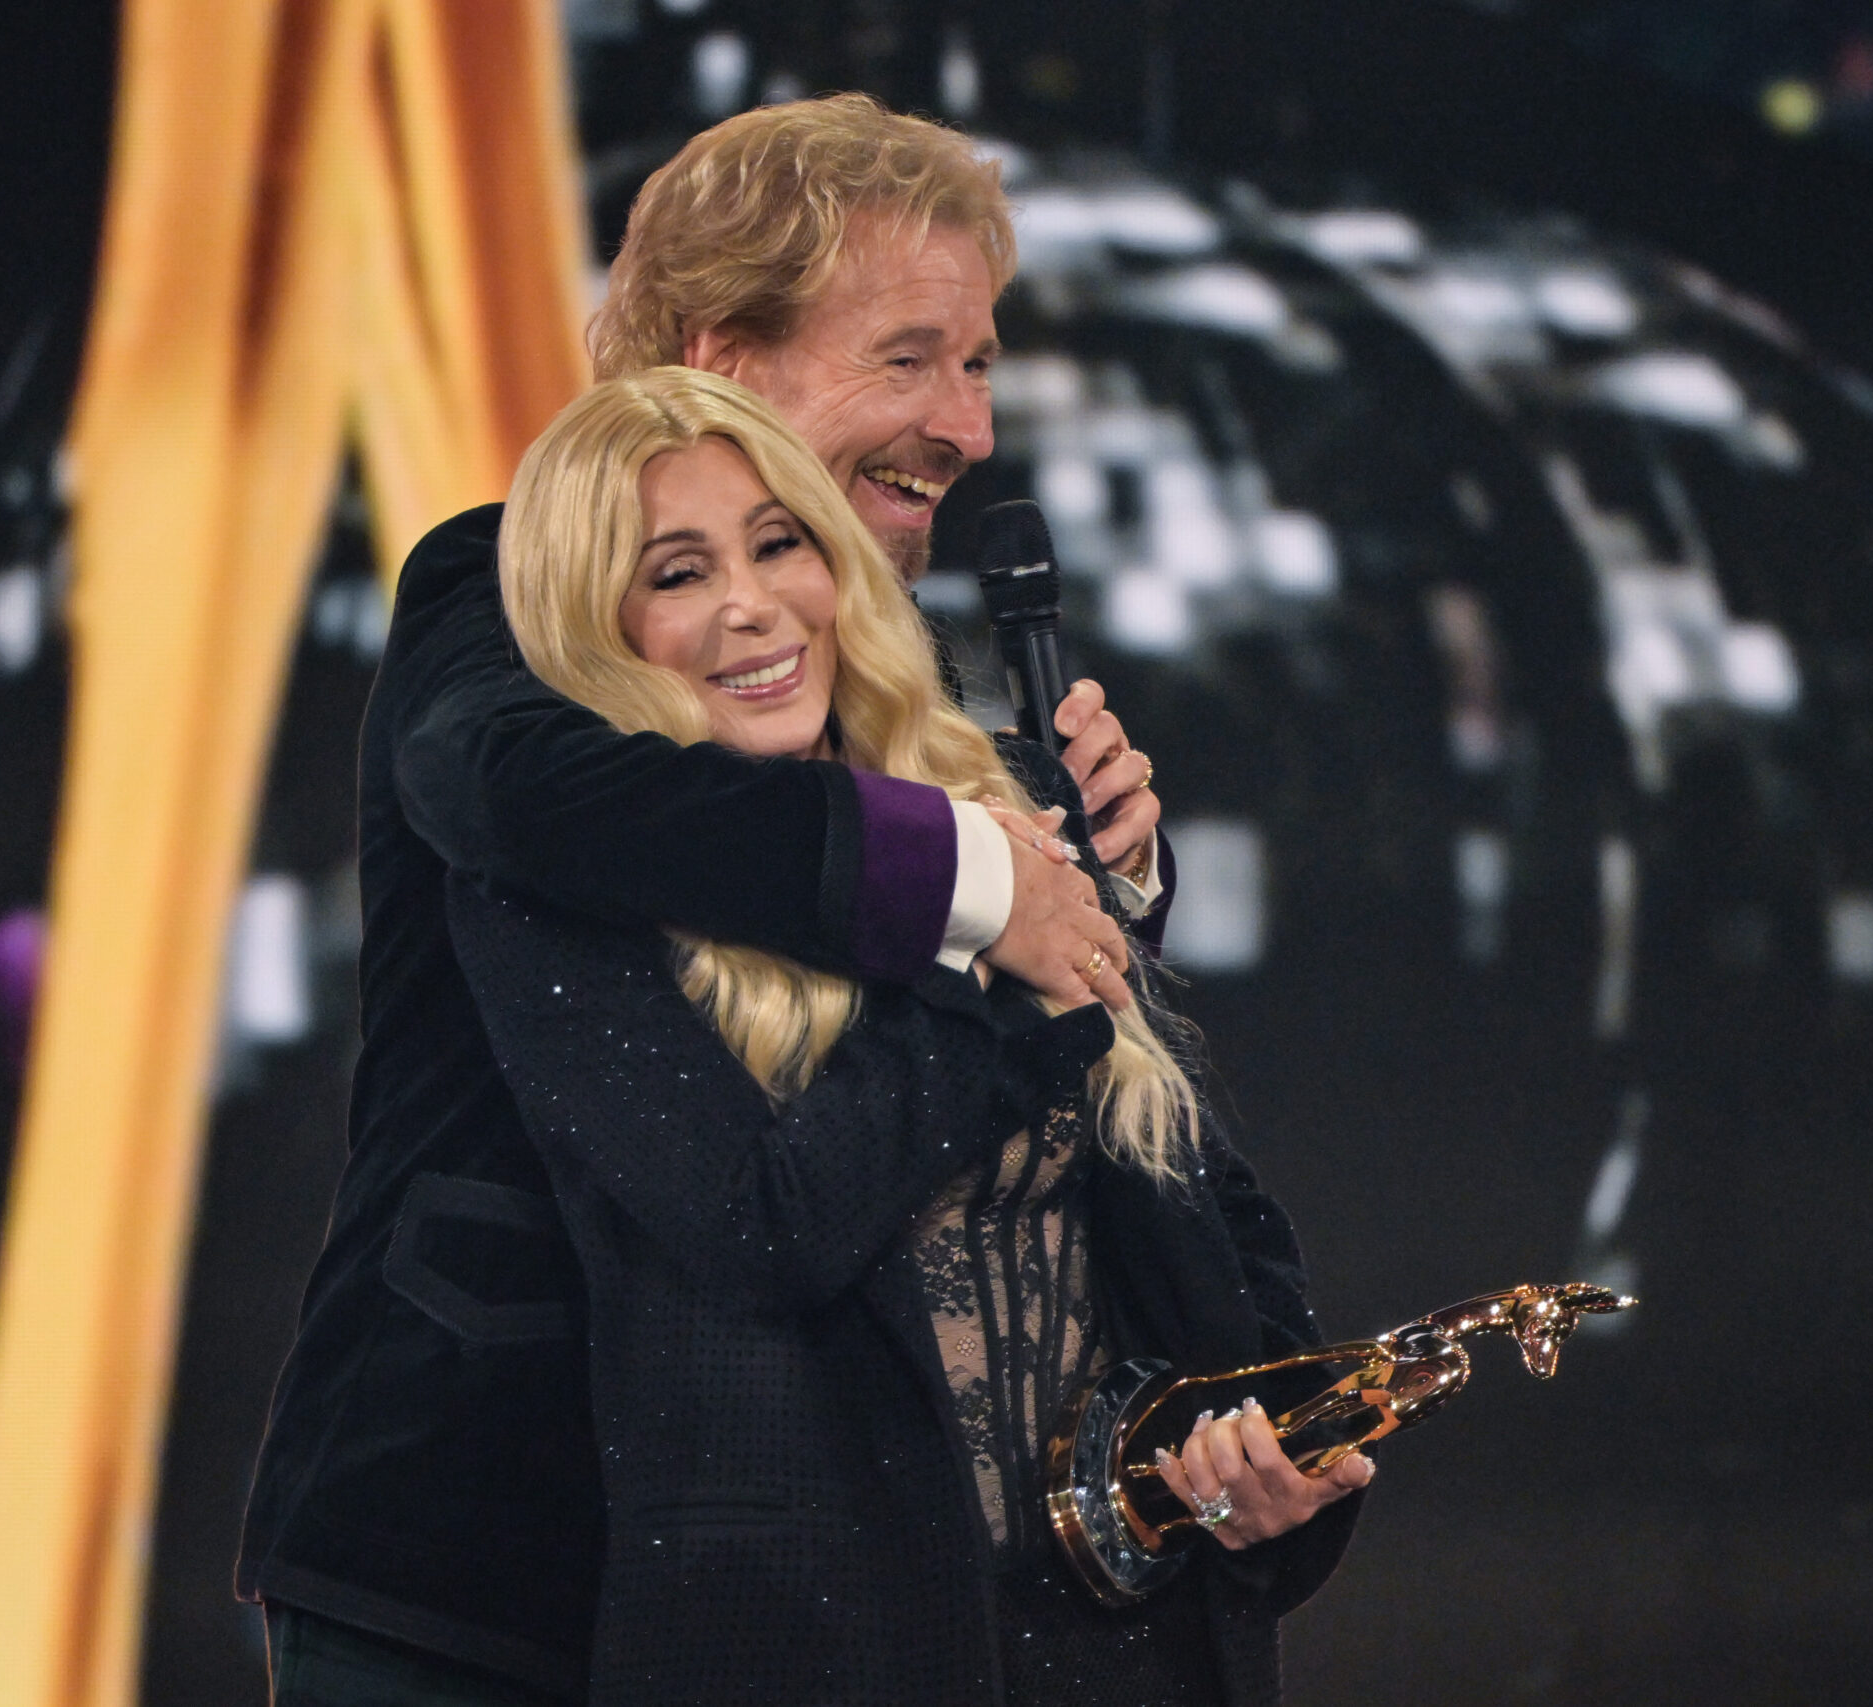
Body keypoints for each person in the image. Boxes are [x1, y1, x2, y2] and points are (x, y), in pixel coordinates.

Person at [241, 97, 1178, 1702]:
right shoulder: (501, 594)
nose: (970, 428)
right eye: (910, 358)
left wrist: (1094, 884)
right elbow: (513, 786)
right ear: (724, 366)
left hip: (803, 1589)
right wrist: (966, 874)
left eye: (979, 363)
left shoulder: (893, 686)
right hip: (482, 1565)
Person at [454, 363, 1364, 1706]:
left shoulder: (990, 806)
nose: (755, 604)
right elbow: (764, 1227)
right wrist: (1000, 975)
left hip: (1130, 1657)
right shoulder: (563, 907)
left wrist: (1275, 1474)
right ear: (600, 628)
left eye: (780, 545)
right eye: (680, 573)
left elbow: (1201, 1212)